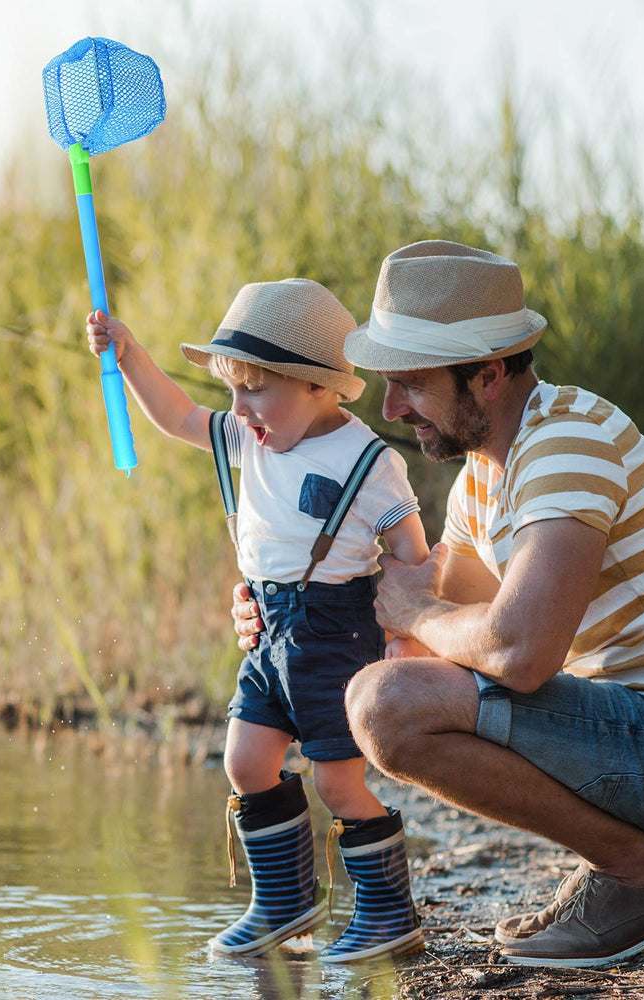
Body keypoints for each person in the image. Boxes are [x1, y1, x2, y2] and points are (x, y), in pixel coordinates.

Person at [232, 241, 644, 968]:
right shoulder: (482, 482)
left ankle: (639, 875)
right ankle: (625, 869)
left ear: (488, 374)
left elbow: (517, 654)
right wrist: (285, 611)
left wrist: (415, 616)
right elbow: (433, 646)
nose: (391, 407)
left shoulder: (567, 446)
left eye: (412, 385)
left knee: (383, 707)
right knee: (388, 697)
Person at [86, 277, 430, 964]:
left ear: (316, 386)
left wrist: (406, 644)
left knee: (337, 781)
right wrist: (127, 355)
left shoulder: (368, 462)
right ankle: (285, 902)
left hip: (339, 638)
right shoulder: (249, 441)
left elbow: (412, 560)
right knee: (245, 761)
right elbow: (179, 415)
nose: (238, 408)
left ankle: (390, 912)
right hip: (270, 634)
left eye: (253, 387)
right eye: (232, 388)